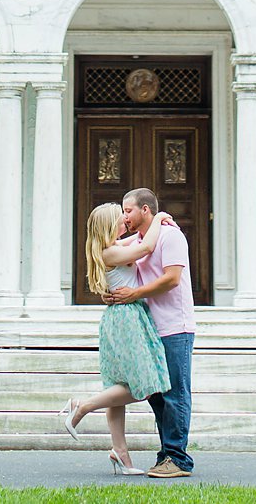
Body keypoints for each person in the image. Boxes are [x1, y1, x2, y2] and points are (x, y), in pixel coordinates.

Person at [60, 201, 172, 475]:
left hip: (117, 318)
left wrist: (148, 228)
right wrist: (158, 219)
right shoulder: (111, 252)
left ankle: (120, 453)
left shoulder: (110, 248)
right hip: (127, 319)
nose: (125, 218)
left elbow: (137, 240)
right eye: (120, 216)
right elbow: (145, 247)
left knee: (117, 387)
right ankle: (82, 406)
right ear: (111, 225)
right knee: (144, 385)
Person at [106, 186, 195, 478]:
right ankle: (167, 452)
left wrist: (134, 293)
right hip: (149, 327)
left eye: (128, 210)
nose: (124, 216)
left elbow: (171, 279)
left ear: (146, 210)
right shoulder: (142, 240)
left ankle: (179, 459)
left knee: (175, 394)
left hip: (175, 326)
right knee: (157, 395)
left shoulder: (171, 236)